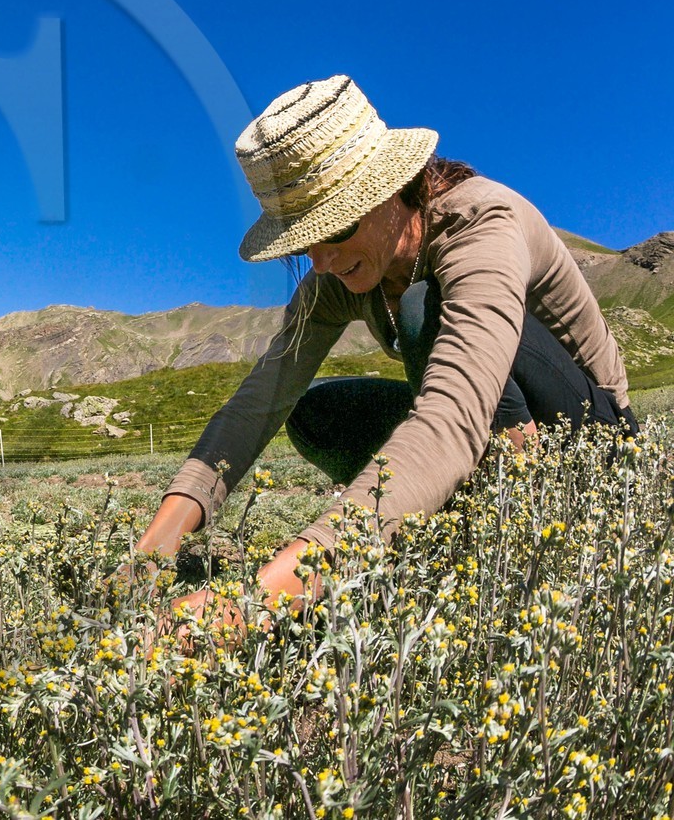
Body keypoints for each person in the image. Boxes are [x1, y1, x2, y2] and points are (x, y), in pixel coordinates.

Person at [133, 75, 637, 622]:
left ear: (394, 188)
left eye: (337, 227)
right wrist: (153, 552)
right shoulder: (334, 279)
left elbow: (452, 412)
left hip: (594, 443)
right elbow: (258, 403)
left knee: (424, 309)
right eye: (303, 242)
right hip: (474, 432)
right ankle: (453, 514)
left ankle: (527, 506)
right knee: (312, 413)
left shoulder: (482, 224)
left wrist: (259, 601)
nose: (321, 260)